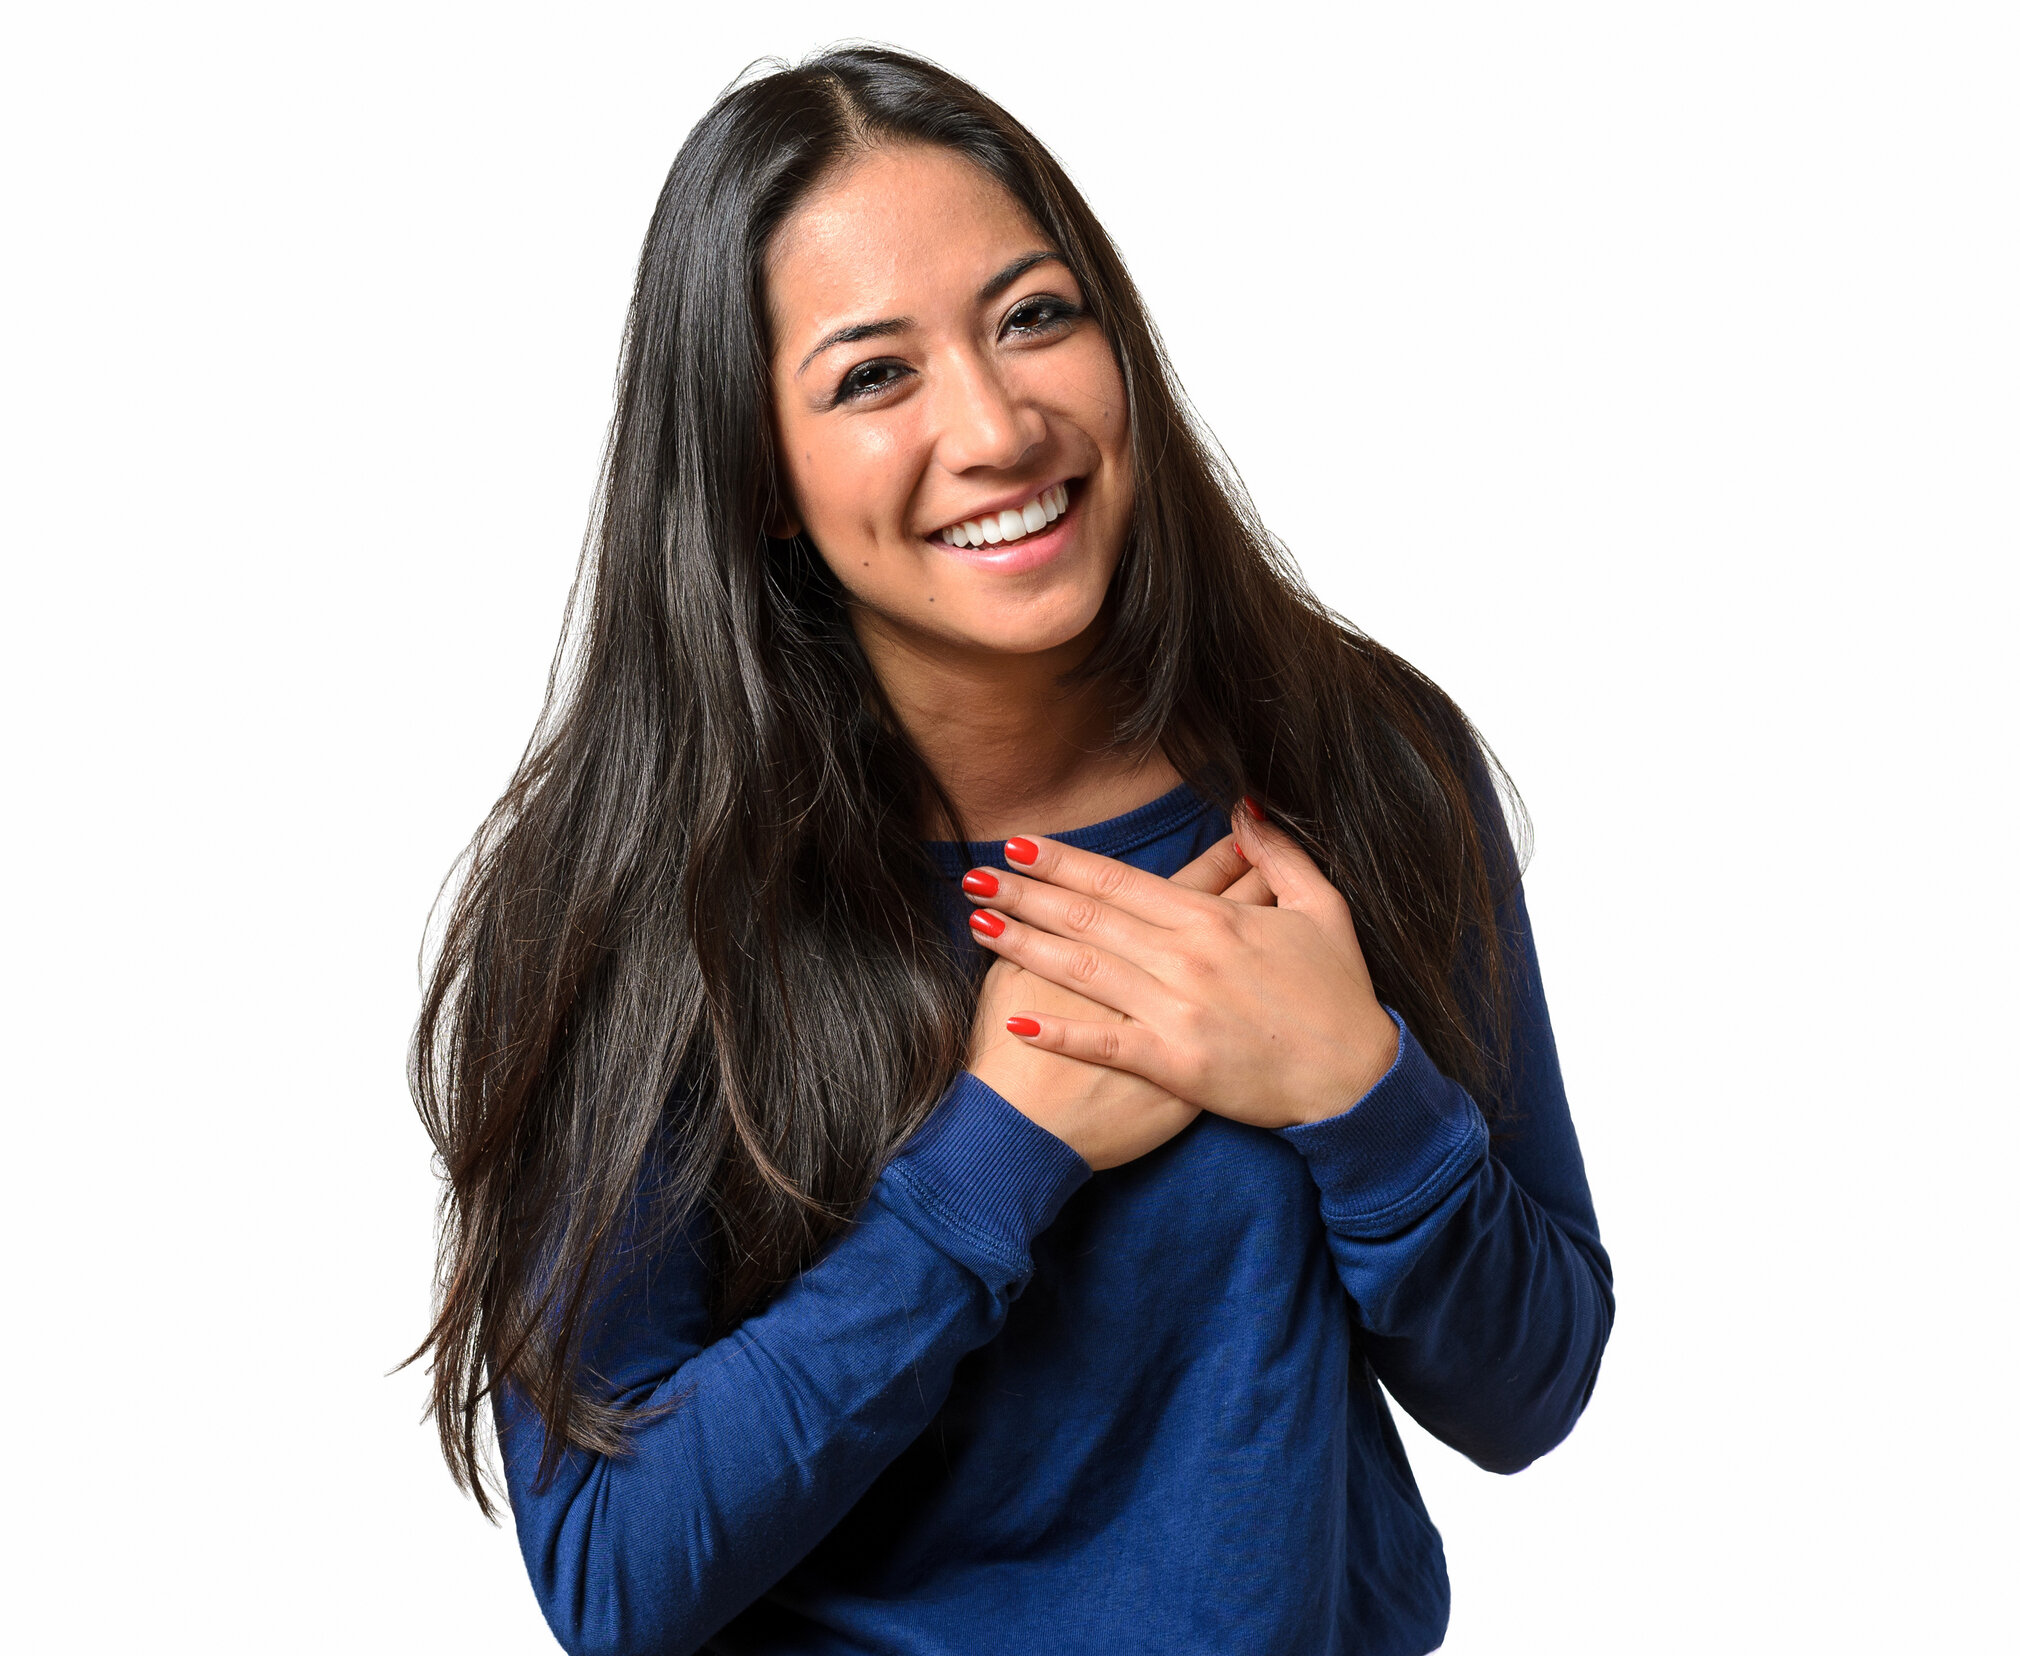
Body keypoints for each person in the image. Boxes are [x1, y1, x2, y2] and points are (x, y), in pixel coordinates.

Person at [407, 45, 1611, 1656]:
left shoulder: (1361, 766)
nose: (994, 424)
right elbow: (617, 1575)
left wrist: (1354, 1087)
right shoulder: (634, 902)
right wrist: (993, 1159)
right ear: (760, 476)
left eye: (1035, 316)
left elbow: (1529, 1387)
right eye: (872, 376)